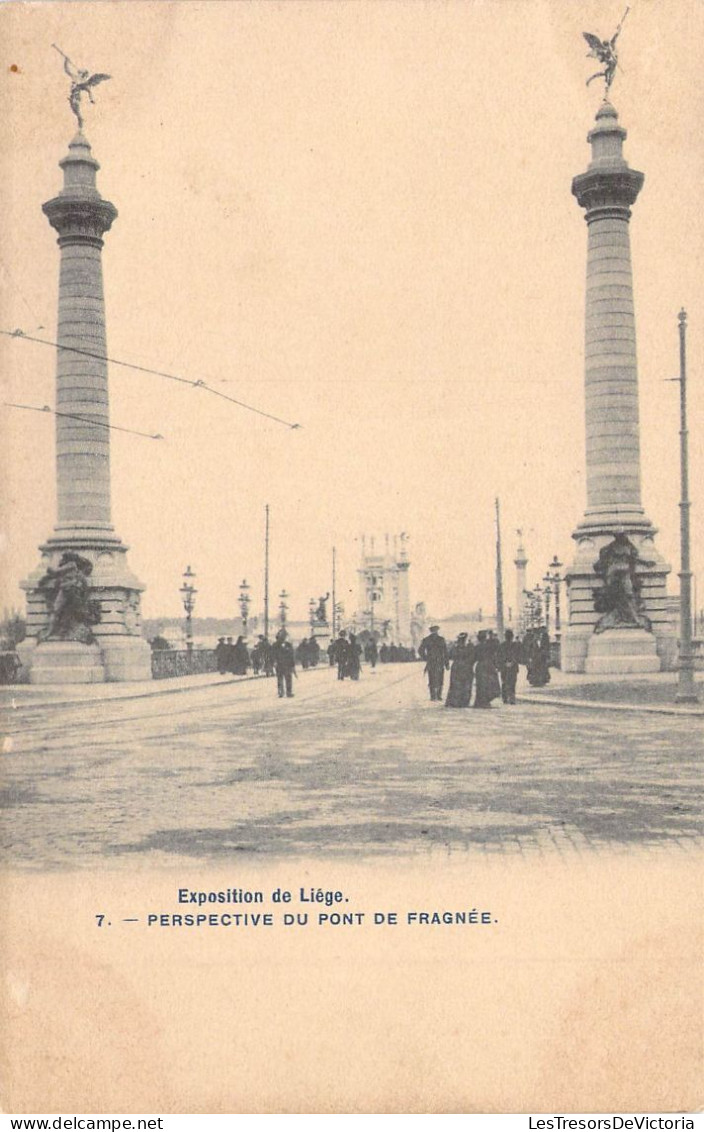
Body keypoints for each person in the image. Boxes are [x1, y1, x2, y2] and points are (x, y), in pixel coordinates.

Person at [418, 625, 450, 702]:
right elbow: (445, 652)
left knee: (432, 678)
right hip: (439, 662)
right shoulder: (441, 639)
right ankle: (438, 696)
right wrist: (446, 664)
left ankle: (433, 696)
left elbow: (420, 650)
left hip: (432, 662)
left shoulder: (426, 639)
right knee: (439, 678)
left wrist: (426, 658)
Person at [445, 632, 475, 708]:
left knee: (456, 685)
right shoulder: (469, 647)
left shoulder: (455, 647)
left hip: (456, 667)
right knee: (466, 684)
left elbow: (449, 655)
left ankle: (454, 701)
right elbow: (473, 657)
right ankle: (464, 702)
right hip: (466, 667)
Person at [473, 630, 501, 708]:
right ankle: (487, 700)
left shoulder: (476, 647)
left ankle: (480, 701)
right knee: (490, 683)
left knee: (481, 684)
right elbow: (495, 652)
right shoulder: (489, 646)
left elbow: (473, 658)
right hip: (489, 665)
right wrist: (496, 665)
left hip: (480, 666)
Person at [497, 629, 521, 704]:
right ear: (512, 636)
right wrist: (512, 662)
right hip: (513, 667)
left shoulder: (501, 645)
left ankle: (505, 698)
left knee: (504, 682)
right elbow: (517, 656)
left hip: (504, 667)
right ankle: (512, 698)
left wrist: (504, 663)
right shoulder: (516, 645)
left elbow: (499, 656)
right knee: (512, 682)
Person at [271, 628, 296, 698]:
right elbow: (272, 654)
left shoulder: (288, 645)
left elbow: (291, 655)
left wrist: (292, 665)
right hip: (280, 664)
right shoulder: (276, 645)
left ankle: (286, 692)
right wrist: (274, 661)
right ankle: (283, 692)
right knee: (282, 678)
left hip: (285, 665)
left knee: (285, 678)